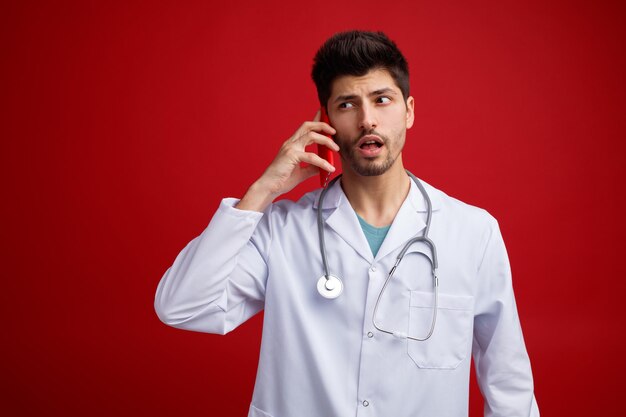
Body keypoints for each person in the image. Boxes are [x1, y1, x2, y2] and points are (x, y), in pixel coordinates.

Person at [155, 30, 540, 417]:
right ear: (326, 122)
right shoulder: (282, 230)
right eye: (347, 104)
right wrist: (262, 190)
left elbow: (507, 378)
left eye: (381, 100)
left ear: (408, 111)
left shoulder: (472, 232)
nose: (367, 119)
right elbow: (182, 306)